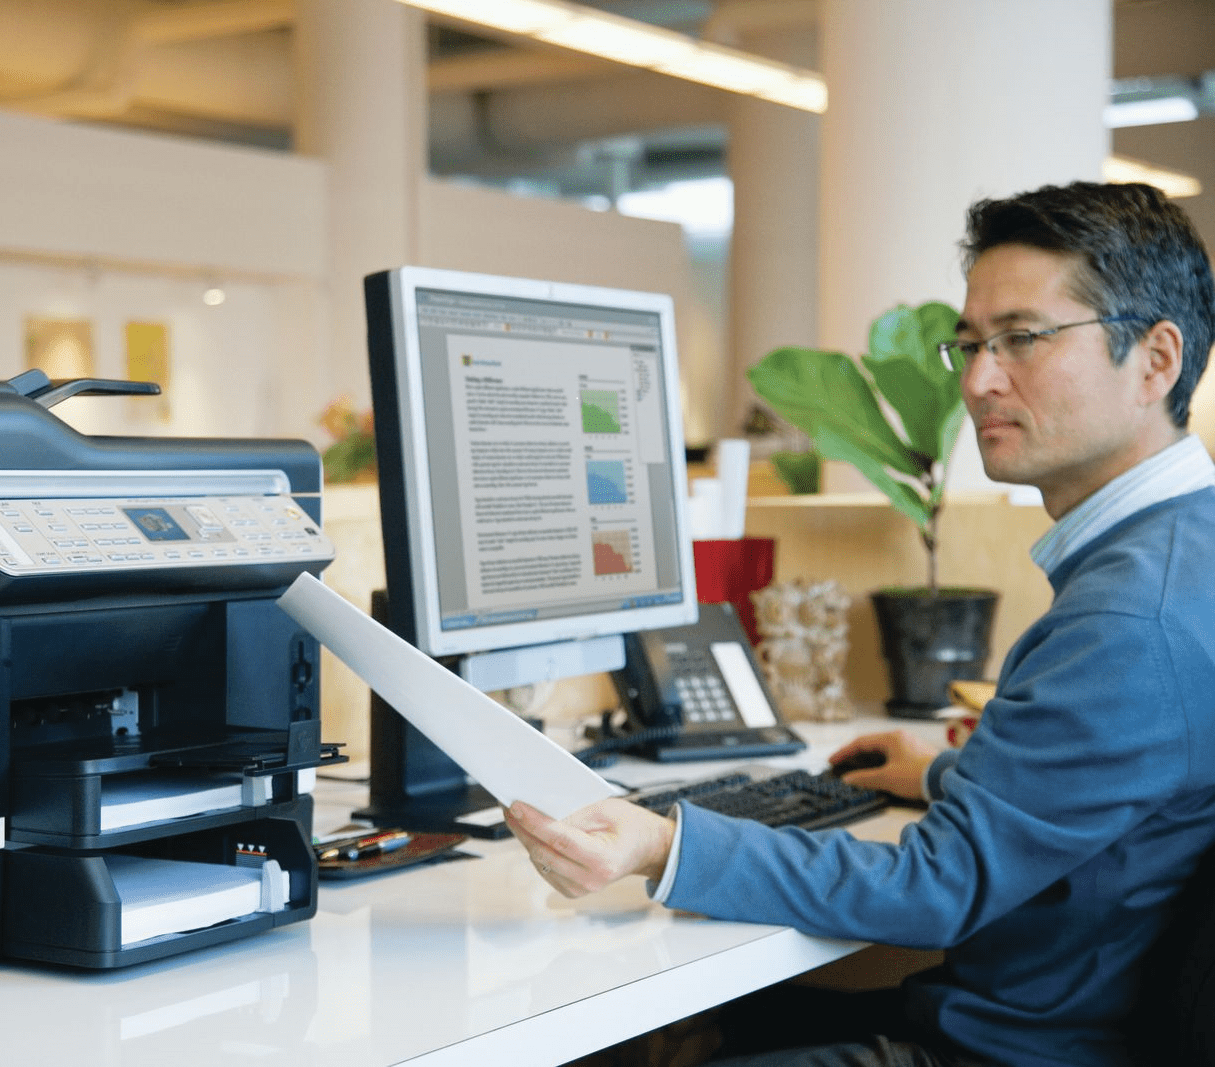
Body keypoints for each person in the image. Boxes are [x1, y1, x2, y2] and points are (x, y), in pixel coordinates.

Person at [505, 181, 1215, 1067]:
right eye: (971, 344)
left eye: (1023, 339)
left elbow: (937, 884)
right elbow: (1117, 796)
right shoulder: (1183, 554)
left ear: (1156, 360)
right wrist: (952, 773)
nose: (980, 379)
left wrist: (664, 840)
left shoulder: (1131, 615)